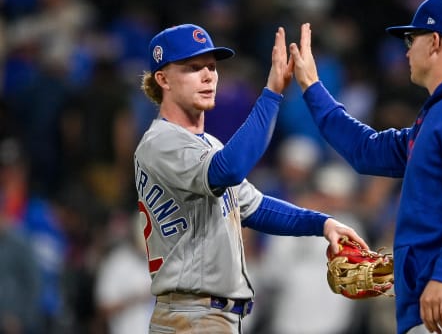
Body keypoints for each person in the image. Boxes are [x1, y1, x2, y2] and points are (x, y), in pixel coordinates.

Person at [290, 0, 442, 334]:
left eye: (412, 39)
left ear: (435, 42)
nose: (406, 50)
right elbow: (365, 150)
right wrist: (312, 86)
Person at [135, 23, 367, 334]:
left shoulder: (206, 145)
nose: (208, 76)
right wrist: (271, 94)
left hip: (207, 316)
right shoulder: (162, 142)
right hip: (192, 315)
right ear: (162, 79)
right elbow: (229, 169)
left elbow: (255, 208)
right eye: (192, 68)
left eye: (212, 67)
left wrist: (322, 223)